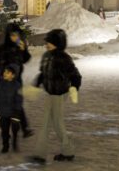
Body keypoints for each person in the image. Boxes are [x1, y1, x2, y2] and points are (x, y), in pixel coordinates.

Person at [29, 29, 82, 165]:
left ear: (58, 43)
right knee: (52, 123)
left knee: (51, 123)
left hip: (59, 95)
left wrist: (74, 88)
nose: (47, 44)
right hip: (50, 93)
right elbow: (43, 73)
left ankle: (47, 153)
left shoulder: (64, 58)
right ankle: (63, 151)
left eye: (50, 42)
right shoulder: (46, 56)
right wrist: (38, 81)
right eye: (47, 42)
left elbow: (75, 75)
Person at [0, 22, 33, 136]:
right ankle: (7, 129)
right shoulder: (1, 50)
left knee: (17, 104)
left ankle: (23, 128)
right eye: (12, 35)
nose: (15, 37)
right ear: (8, 36)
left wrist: (24, 50)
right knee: (5, 105)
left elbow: (25, 60)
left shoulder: (19, 47)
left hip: (17, 82)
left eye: (17, 35)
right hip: (3, 82)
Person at [0, 64, 25, 153]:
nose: (5, 74)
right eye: (4, 72)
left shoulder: (17, 85)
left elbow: (19, 100)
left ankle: (14, 141)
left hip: (14, 112)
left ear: (13, 75)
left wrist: (17, 112)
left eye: (7, 72)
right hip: (3, 113)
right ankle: (5, 145)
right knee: (4, 130)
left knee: (15, 128)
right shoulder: (0, 85)